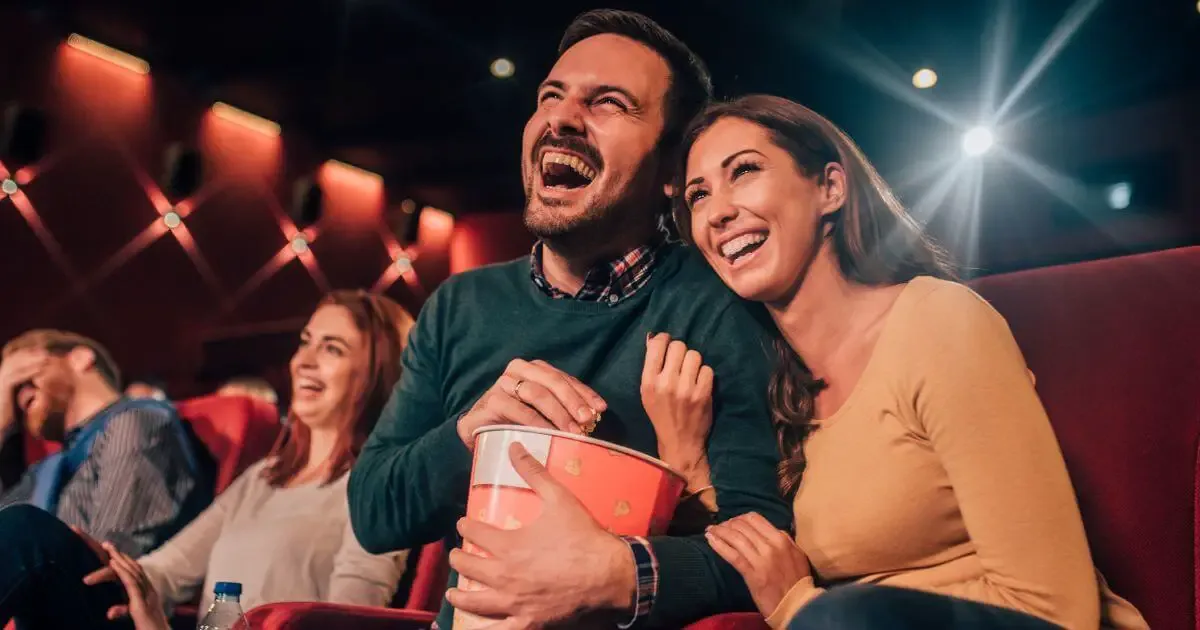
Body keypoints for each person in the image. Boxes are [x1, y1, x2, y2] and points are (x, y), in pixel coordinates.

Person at [347, 9, 791, 630]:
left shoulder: (718, 302)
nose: (559, 118)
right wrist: (471, 430)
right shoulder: (458, 304)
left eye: (608, 103)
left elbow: (763, 547)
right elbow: (373, 513)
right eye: (549, 97)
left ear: (672, 172)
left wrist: (616, 573)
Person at [649, 94, 1149, 629]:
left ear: (831, 188)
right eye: (697, 196)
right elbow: (753, 569)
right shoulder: (775, 383)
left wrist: (800, 608)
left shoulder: (939, 324)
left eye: (743, 171)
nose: (718, 212)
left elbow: (1059, 610)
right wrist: (686, 464)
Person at [79, 290, 415, 630]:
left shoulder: (379, 488)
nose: (303, 361)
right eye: (305, 343)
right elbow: (166, 570)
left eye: (332, 348)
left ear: (379, 374)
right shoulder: (263, 478)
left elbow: (347, 621)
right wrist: (109, 567)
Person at [0, 329, 207, 627]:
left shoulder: (136, 420)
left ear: (81, 359)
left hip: (120, 605)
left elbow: (114, 552)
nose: (16, 396)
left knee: (24, 527)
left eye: (22, 378)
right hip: (47, 607)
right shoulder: (47, 468)